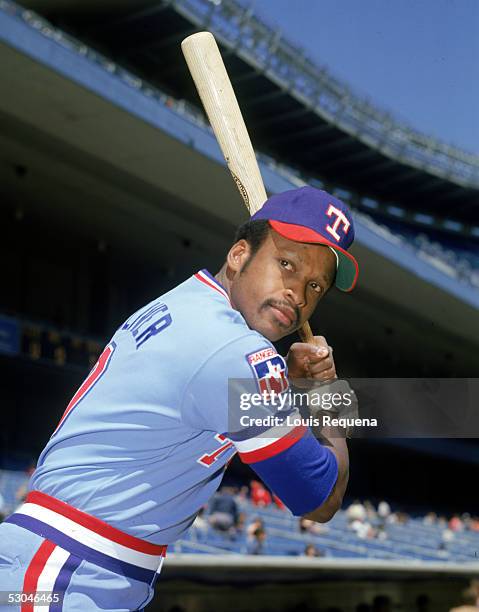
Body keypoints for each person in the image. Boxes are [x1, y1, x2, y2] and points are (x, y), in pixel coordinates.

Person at [0, 187, 358, 611]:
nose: (297, 295)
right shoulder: (234, 352)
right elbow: (320, 497)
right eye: (286, 264)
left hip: (56, 560)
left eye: (314, 285)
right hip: (64, 570)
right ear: (239, 255)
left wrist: (286, 385)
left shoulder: (191, 303)